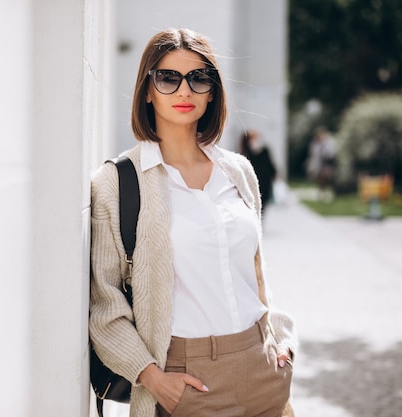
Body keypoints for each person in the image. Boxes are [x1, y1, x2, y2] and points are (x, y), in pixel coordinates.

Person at [89, 28, 296, 417]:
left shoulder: (238, 172)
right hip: (187, 382)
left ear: (212, 91)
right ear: (147, 90)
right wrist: (152, 379)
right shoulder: (117, 184)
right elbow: (105, 307)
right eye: (168, 78)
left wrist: (283, 342)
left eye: (199, 78)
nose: (185, 91)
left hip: (265, 368)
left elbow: (253, 275)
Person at [239, 130, 277, 216]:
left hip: (264, 185)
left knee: (261, 208)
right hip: (253, 185)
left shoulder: (264, 151)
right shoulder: (246, 153)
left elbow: (271, 167)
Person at [306, 126, 336, 202]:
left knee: (326, 179)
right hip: (318, 164)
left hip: (326, 163)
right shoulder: (314, 143)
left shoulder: (328, 142)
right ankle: (321, 193)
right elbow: (313, 154)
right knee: (319, 180)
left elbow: (331, 153)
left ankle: (325, 193)